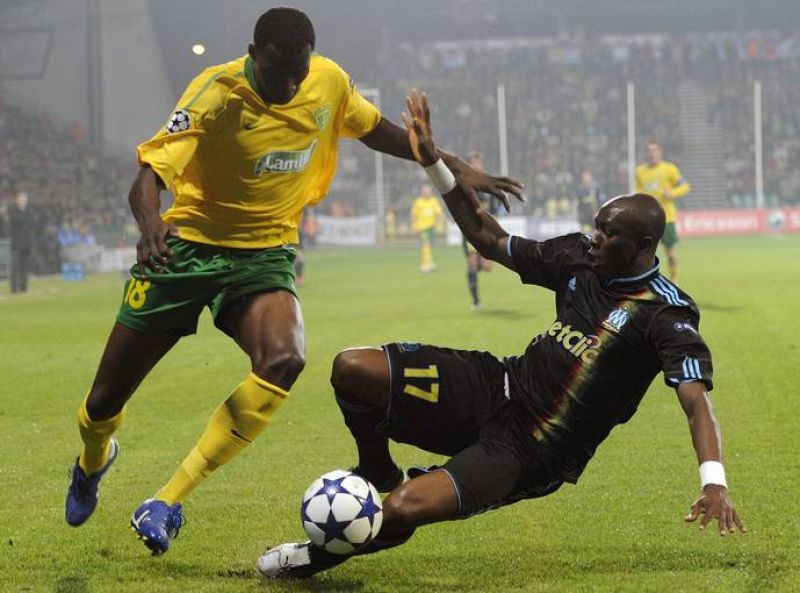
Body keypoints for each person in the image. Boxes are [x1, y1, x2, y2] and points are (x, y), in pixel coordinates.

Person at [64, 9, 516, 556]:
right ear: (254, 52)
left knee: (284, 359)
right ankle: (93, 459)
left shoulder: (327, 79)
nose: (289, 85)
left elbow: (377, 131)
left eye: (297, 74)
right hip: (184, 249)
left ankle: (167, 500)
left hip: (264, 253)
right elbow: (150, 173)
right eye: (278, 73)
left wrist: (452, 165)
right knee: (103, 401)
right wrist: (150, 224)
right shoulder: (216, 91)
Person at [258, 90, 745, 579]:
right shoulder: (577, 256)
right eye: (597, 226)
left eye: (609, 233)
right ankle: (375, 466)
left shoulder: (665, 312)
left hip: (531, 450)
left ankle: (311, 559)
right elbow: (487, 237)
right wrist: (433, 164)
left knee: (404, 506)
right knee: (351, 368)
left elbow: (696, 402)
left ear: (642, 246)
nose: (595, 237)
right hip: (495, 384)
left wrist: (714, 482)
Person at [635, 141, 691, 283]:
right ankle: (647, 283)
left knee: (670, 253)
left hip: (667, 218)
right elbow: (638, 193)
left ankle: (674, 280)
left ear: (660, 152)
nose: (653, 154)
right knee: (645, 254)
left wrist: (672, 193)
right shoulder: (640, 171)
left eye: (655, 150)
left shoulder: (669, 169)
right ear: (646, 153)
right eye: (649, 151)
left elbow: (685, 186)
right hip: (648, 220)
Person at [462, 152, 499, 310]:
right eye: (474, 163)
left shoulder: (487, 184)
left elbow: (494, 207)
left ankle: (478, 264)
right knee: (471, 264)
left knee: (487, 267)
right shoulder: (464, 183)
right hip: (470, 229)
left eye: (479, 163)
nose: (478, 166)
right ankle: (476, 301)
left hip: (486, 230)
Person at [410, 184, 444, 272]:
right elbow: (414, 214)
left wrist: (439, 220)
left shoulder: (434, 201)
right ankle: (427, 264)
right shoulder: (418, 202)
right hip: (422, 228)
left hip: (431, 227)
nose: (426, 193)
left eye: (428, 191)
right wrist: (414, 226)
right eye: (425, 191)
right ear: (422, 192)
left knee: (429, 246)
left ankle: (428, 263)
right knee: (426, 245)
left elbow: (438, 212)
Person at [9, 191, 35, 293]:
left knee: (25, 266)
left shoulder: (29, 212)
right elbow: (18, 222)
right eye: (21, 200)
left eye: (25, 200)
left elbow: (32, 224)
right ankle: (14, 288)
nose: (23, 202)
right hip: (17, 243)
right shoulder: (13, 211)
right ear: (17, 201)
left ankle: (24, 287)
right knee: (15, 267)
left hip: (27, 243)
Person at [576, 170, 604, 234]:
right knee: (584, 233)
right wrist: (578, 214)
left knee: (594, 232)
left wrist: (598, 212)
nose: (586, 179)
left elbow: (600, 201)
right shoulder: (580, 189)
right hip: (584, 215)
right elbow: (579, 203)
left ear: (591, 178)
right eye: (584, 178)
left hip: (593, 214)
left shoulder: (595, 188)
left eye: (587, 177)